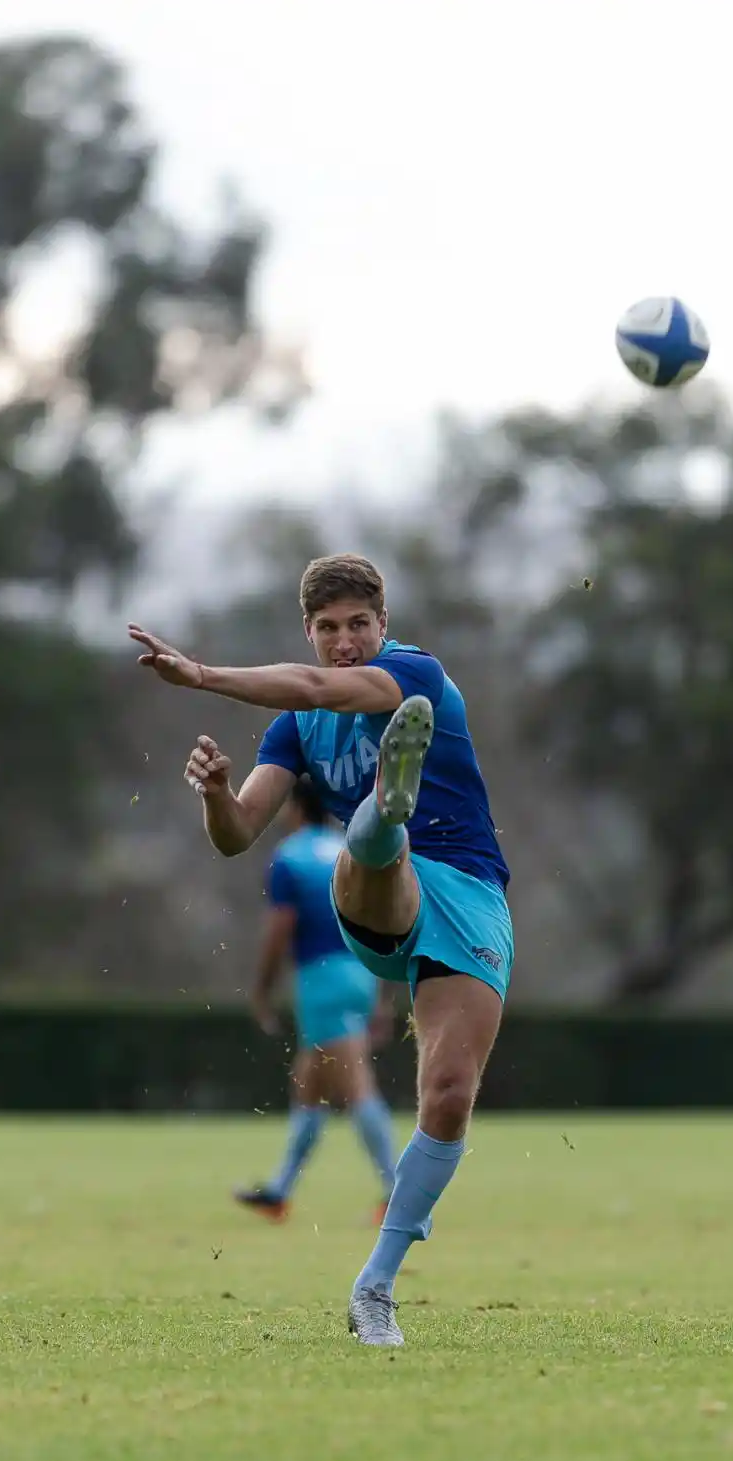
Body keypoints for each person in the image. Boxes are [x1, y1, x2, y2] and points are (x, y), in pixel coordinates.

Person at [128, 551, 512, 1348]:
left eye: (358, 626)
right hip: (379, 894)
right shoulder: (294, 731)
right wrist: (213, 796)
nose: (344, 642)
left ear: (383, 625)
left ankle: (375, 1288)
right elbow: (238, 837)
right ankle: (383, 813)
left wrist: (199, 674)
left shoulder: (412, 674)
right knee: (377, 848)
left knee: (447, 1092)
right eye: (329, 629)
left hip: (471, 892)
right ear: (309, 630)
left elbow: (315, 686)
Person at [237, 775, 397, 1223]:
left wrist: (262, 989)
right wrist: (383, 994)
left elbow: (279, 929)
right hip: (360, 970)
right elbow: (380, 917)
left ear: (294, 808)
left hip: (320, 978)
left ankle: (399, 1191)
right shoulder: (350, 849)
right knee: (308, 1085)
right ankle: (279, 1191)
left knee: (356, 1087)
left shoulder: (289, 857)